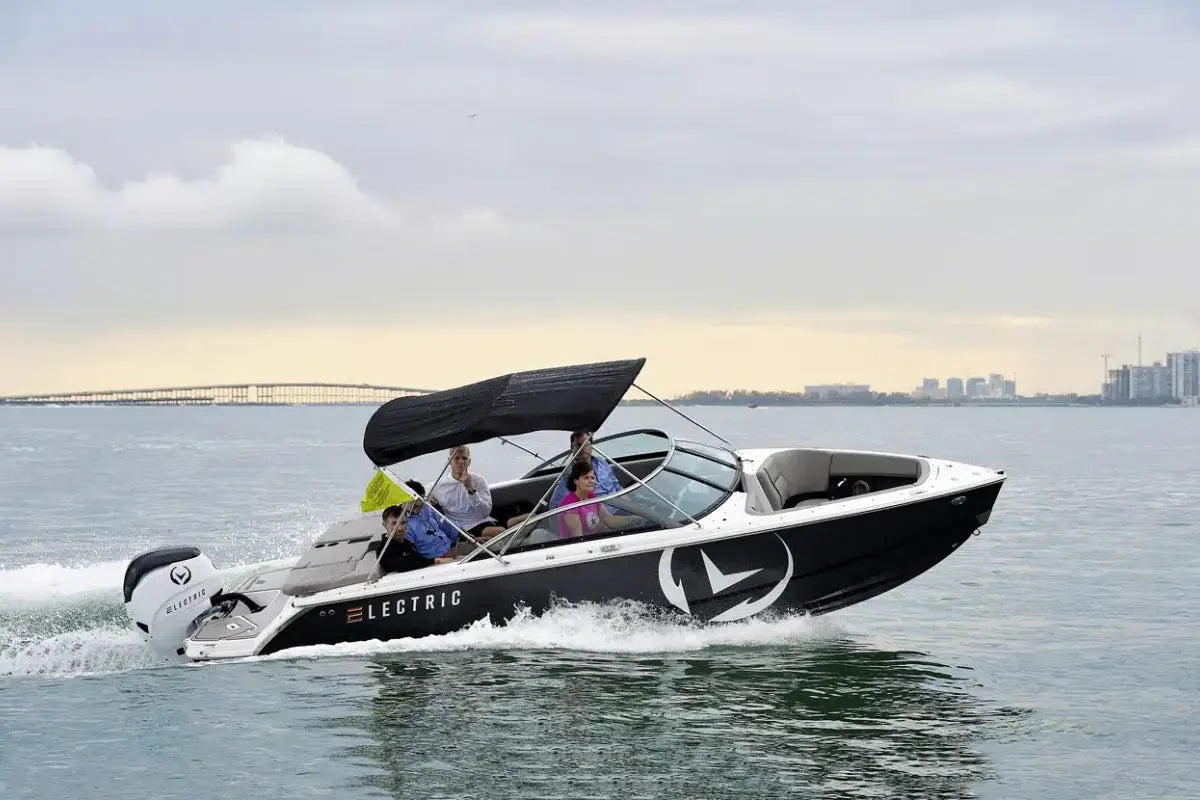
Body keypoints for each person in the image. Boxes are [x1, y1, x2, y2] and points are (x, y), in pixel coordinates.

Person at [430, 445, 505, 541]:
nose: (461, 462)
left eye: (464, 458)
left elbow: (484, 512)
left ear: (469, 462)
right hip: (458, 529)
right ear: (450, 461)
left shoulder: (479, 481)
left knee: (502, 532)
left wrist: (470, 488)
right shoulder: (438, 486)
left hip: (480, 522)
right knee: (499, 533)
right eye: (456, 458)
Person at [556, 461, 637, 539]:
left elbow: (609, 520)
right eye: (586, 478)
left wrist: (634, 520)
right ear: (576, 481)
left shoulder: (591, 496)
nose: (591, 481)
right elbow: (578, 538)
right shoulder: (571, 505)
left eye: (592, 478)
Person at [548, 429, 623, 510]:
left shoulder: (601, 462)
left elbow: (616, 485)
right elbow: (555, 506)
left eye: (585, 445)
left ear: (591, 446)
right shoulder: (569, 474)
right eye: (578, 445)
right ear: (572, 448)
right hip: (601, 515)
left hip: (620, 505)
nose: (582, 449)